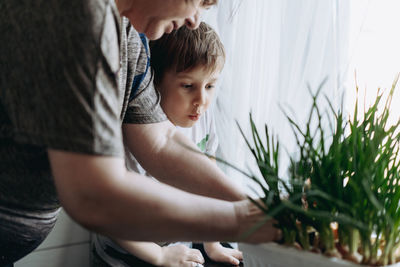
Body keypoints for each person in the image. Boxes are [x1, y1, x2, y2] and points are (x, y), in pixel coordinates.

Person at [0, 0, 280, 265]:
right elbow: (92, 195)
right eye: (197, 1)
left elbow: (161, 141)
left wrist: (250, 205)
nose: (195, 20)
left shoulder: (128, 36)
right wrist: (240, 222)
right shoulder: (78, 15)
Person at [93, 22, 243, 267]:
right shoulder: (132, 134)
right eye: (187, 86)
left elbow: (206, 188)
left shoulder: (203, 121)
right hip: (125, 254)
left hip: (177, 250)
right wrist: (158, 255)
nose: (201, 101)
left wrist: (212, 244)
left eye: (210, 86)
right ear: (154, 83)